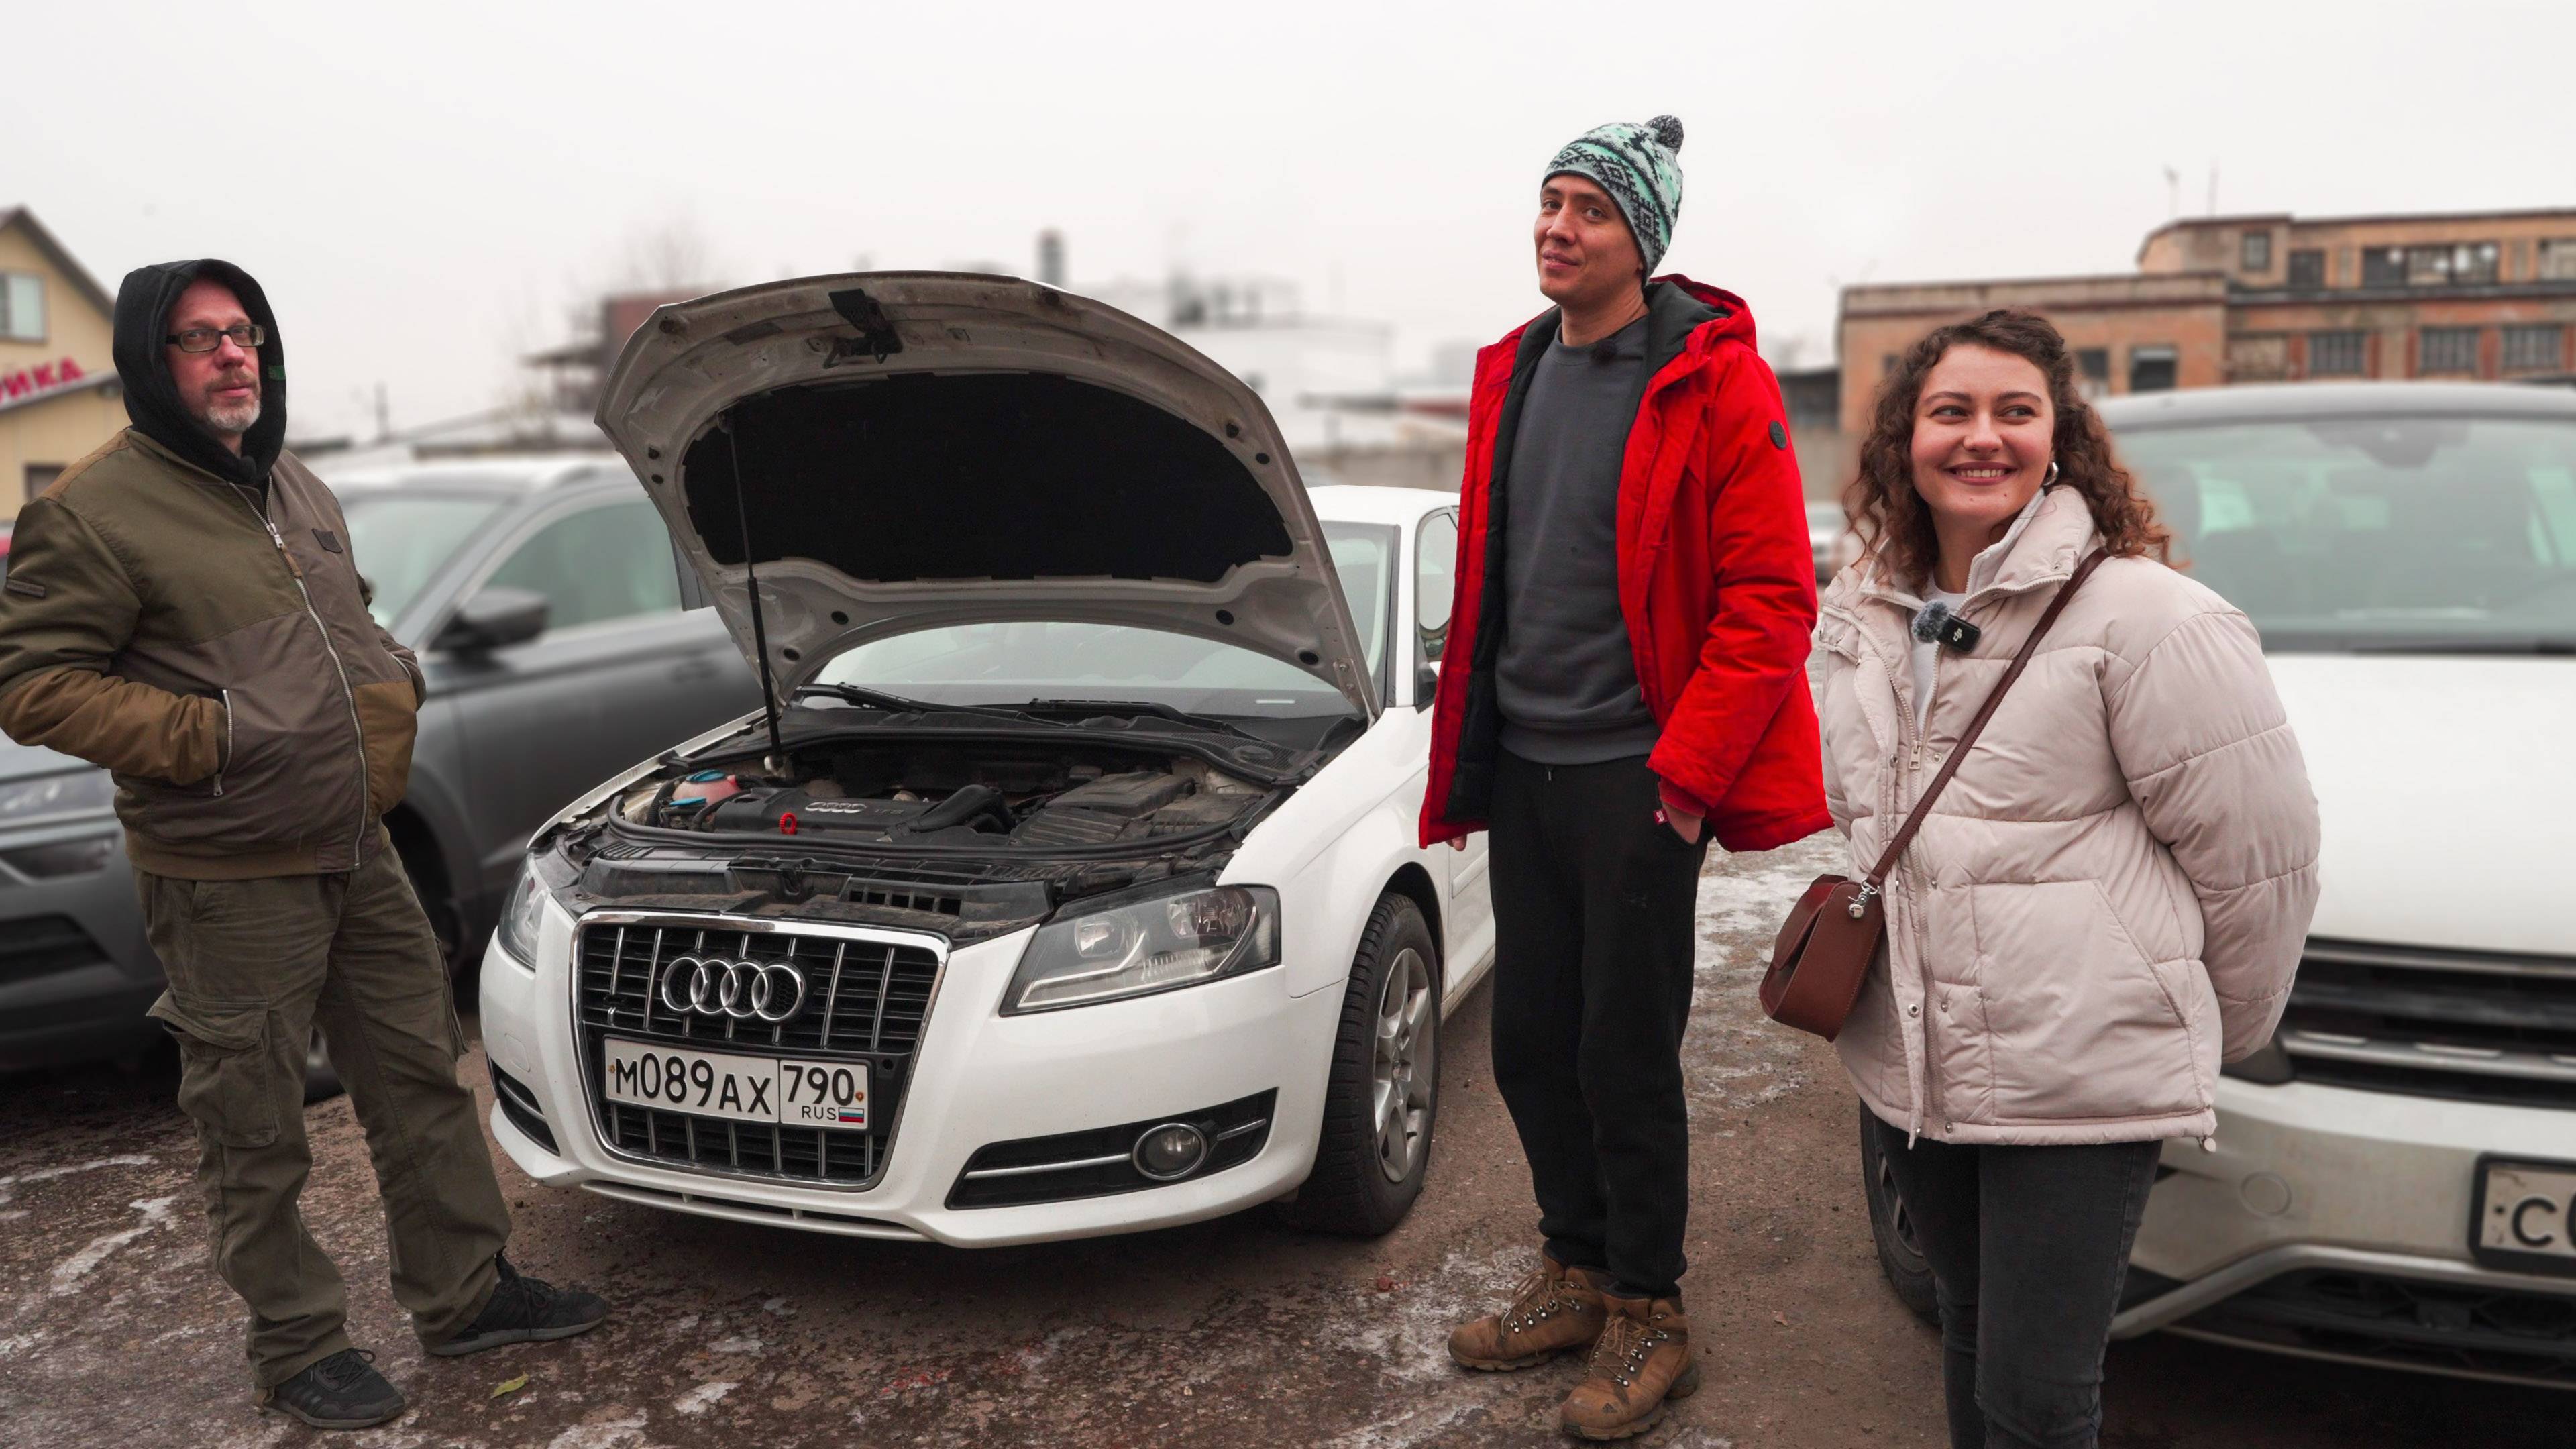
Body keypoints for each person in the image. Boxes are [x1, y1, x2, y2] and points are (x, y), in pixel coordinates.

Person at [0, 260, 610, 1431]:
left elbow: (350, 612)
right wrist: (206, 732)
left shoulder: (291, 483)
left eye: (245, 335)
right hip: (225, 871)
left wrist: (393, 673)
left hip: (355, 840)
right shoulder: (91, 511)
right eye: (199, 340)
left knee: (422, 1076)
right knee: (256, 1122)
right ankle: (295, 1347)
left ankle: (465, 1292)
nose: (234, 357)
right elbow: (32, 686)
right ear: (148, 361)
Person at [1814, 309, 2320, 1449]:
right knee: (1969, 1327)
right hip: (1919, 1059)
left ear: (2060, 437)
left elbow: (2260, 862)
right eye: (1951, 412)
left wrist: (2192, 1032)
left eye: (2014, 412)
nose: (1979, 438)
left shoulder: (2149, 618)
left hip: (2077, 1071)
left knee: (2041, 1400)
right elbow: (1865, 816)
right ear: (1907, 438)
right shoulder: (1860, 615)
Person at [1421, 115, 1830, 1441]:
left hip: (1638, 777)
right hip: (1528, 763)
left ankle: (1654, 1307)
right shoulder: (1517, 370)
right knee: (1533, 1040)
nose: (1557, 227)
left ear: (1642, 240)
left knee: (1622, 1053)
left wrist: (1688, 779)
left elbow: (1771, 599)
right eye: (1548, 200)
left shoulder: (1713, 380)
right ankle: (1578, 1268)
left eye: (1590, 208)